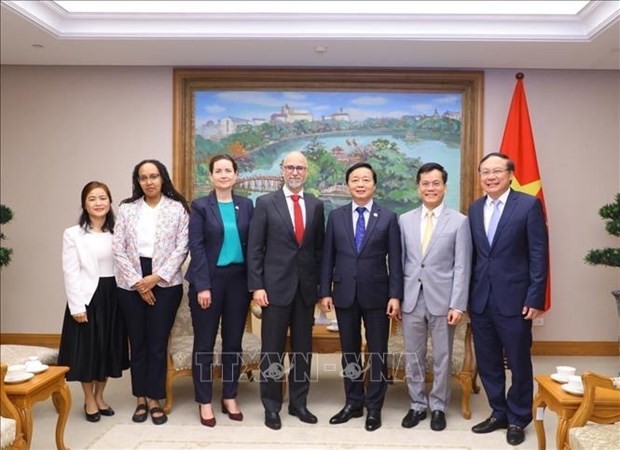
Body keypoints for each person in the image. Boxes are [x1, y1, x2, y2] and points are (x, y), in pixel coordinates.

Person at [468, 152, 548, 446]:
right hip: (480, 300)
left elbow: (539, 254)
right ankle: (498, 412)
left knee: (518, 361)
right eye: (485, 172)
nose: (490, 177)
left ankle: (518, 418)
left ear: (510, 174)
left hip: (516, 299)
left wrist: (535, 296)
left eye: (496, 171)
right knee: (488, 361)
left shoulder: (527, 205)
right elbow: (475, 256)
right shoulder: (475, 209)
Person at [320, 162, 403, 432]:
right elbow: (327, 258)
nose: (360, 184)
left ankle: (374, 407)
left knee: (378, 352)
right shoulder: (336, 216)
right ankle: (353, 402)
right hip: (344, 293)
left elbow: (396, 261)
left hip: (378, 295)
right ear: (348, 185)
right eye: (355, 179)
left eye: (365, 179)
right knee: (350, 352)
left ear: (374, 185)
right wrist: (325, 291)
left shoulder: (389, 217)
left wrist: (395, 295)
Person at [247, 150, 325, 430]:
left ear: (306, 172)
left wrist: (320, 287)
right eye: (290, 167)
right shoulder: (265, 203)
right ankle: (271, 406)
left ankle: (299, 403)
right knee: (272, 350)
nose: (294, 172)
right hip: (274, 289)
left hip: (305, 291)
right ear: (282, 170)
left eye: (300, 168)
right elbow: (255, 248)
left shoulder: (317, 205)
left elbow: (318, 250)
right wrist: (256, 286)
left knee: (303, 350)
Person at [112, 159, 190, 426]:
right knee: (138, 342)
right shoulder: (126, 209)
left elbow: (182, 247)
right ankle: (140, 398)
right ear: (138, 181)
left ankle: (155, 398)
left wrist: (155, 278)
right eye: (143, 177)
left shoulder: (177, 208)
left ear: (162, 178)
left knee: (158, 342)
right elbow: (118, 248)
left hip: (166, 282)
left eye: (154, 176)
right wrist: (138, 282)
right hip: (130, 282)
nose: (149, 181)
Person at [398, 162, 472, 431]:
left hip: (444, 301)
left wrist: (458, 303)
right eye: (425, 184)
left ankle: (438, 406)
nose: (430, 188)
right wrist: (396, 297)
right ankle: (417, 404)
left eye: (436, 183)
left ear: (445, 187)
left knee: (442, 356)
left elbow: (463, 266)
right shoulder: (404, 220)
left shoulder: (460, 222)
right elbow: (400, 263)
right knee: (413, 355)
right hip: (411, 298)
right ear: (418, 187)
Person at [185, 155, 254, 427]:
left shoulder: (247, 205)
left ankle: (229, 395)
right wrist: (202, 285)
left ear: (236, 176)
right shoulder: (201, 206)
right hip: (209, 282)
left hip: (239, 281)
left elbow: (254, 246)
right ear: (211, 177)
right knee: (204, 344)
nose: (223, 175)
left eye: (228, 170)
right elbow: (197, 247)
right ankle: (204, 401)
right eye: (218, 171)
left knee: (233, 343)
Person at [58, 181, 129, 423]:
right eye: (92, 199)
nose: (98, 203)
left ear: (109, 202)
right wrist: (76, 306)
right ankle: (88, 399)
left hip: (115, 296)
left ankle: (100, 396)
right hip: (88, 296)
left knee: (108, 349)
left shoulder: (119, 231)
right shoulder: (73, 234)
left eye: (103, 198)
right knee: (88, 351)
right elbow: (70, 272)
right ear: (84, 203)